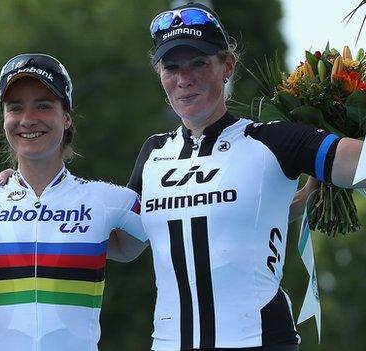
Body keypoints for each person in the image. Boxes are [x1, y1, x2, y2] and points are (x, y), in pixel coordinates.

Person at [126, 2, 365, 350]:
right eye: (171, 67)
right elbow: (124, 245)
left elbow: (358, 166)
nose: (184, 79)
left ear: (228, 65)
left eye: (198, 63)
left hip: (261, 341)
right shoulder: (152, 153)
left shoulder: (274, 140)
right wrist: (24, 191)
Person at [0, 53, 148, 351]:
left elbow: (149, 248)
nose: (28, 119)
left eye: (44, 105)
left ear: (67, 116)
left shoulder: (111, 201)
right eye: (15, 108)